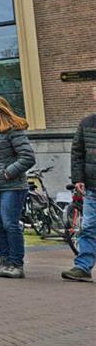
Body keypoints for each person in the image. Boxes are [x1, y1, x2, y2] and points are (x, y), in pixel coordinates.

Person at [0, 95, 36, 279]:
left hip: (12, 185)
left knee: (10, 223)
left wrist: (9, 172)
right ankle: (4, 262)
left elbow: (27, 157)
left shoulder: (13, 130)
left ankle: (17, 263)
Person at [62, 85, 95, 282]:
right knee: (89, 227)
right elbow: (77, 153)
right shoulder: (86, 123)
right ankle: (83, 267)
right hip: (93, 186)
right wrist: (78, 178)